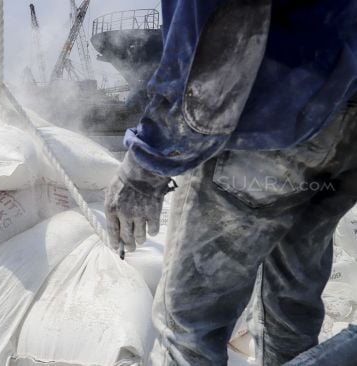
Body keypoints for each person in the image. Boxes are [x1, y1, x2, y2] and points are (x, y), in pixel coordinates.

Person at [104, 1, 357, 365]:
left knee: (191, 328)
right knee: (288, 308)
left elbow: (217, 41)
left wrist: (147, 165)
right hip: (346, 131)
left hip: (271, 129)